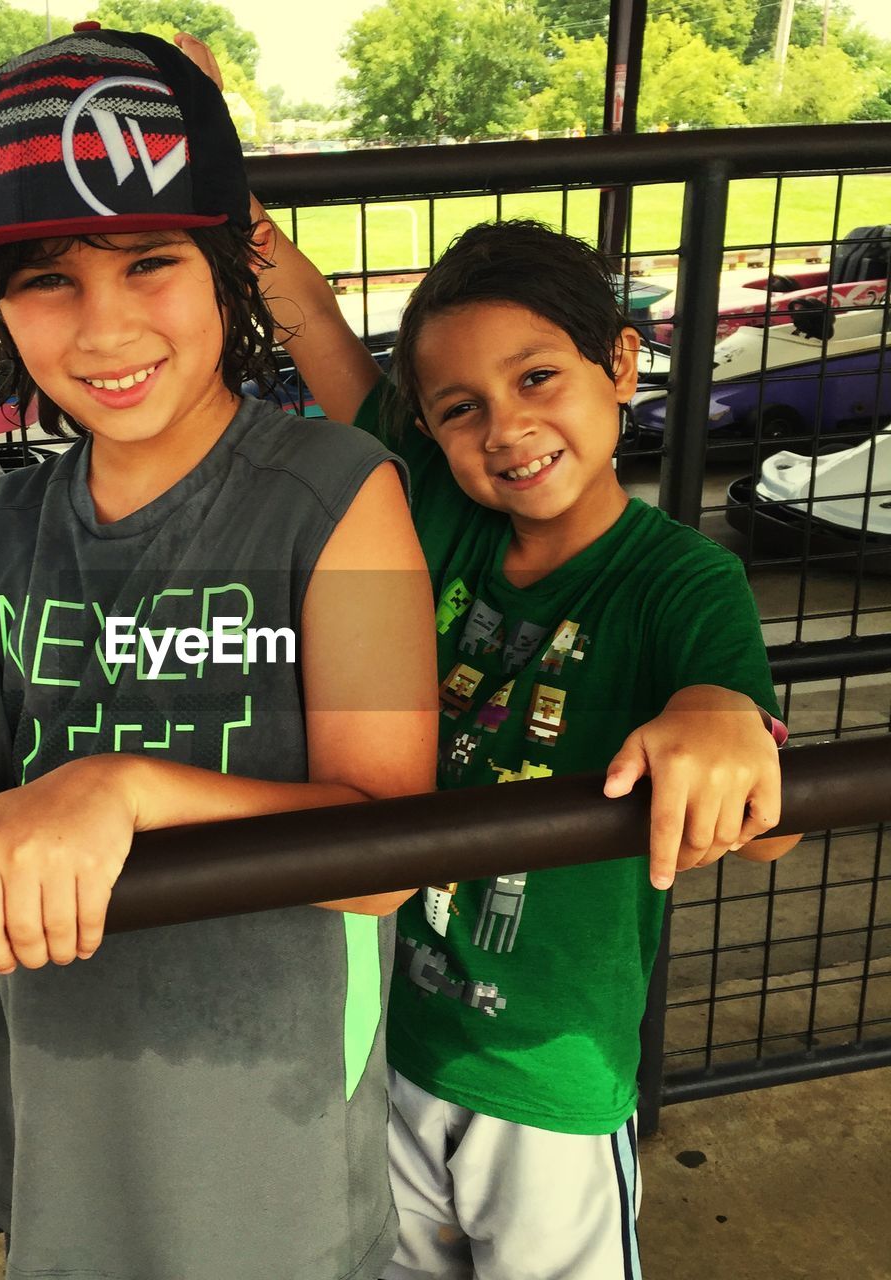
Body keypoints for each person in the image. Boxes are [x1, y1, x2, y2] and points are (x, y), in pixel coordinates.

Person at [0, 26, 441, 1280]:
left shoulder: (339, 491)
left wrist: (125, 788)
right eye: (44, 279)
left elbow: (386, 855)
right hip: (64, 1102)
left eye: (147, 261)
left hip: (275, 1123)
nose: (104, 325)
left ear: (230, 261)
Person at [168, 47, 798, 1269]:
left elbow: (746, 767)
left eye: (537, 379)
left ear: (619, 364)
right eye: (457, 407)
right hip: (393, 1036)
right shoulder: (437, 520)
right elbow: (316, 333)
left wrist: (721, 726)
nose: (504, 427)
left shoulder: (678, 576)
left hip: (547, 1072)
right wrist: (218, 169)